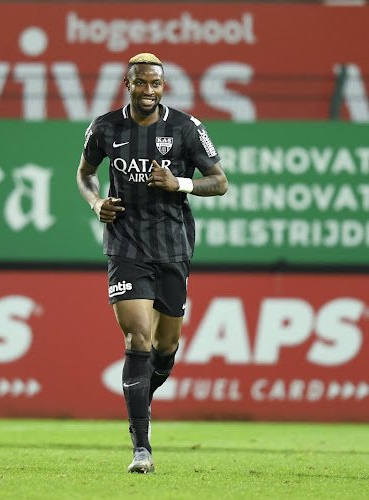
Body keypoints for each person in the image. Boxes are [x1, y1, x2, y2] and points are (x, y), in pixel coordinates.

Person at [76, 53, 228, 473]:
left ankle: (141, 391)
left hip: (173, 250)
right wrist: (96, 202)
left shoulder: (185, 128)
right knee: (137, 339)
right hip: (126, 248)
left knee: (164, 349)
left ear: (163, 87)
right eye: (140, 83)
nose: (148, 91)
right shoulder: (105, 128)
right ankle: (141, 445)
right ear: (128, 84)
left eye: (155, 84)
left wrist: (178, 182)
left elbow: (220, 182)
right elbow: (84, 173)